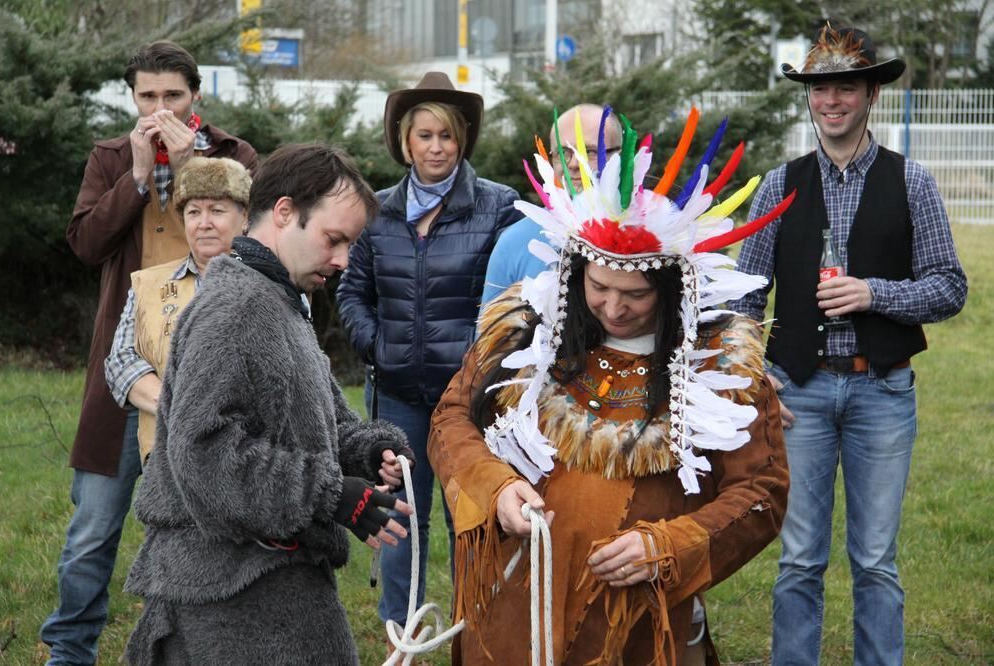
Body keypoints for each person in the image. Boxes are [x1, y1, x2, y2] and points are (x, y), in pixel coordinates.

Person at [428, 110, 791, 664]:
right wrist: (495, 488)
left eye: (636, 296)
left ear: (671, 293)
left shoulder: (720, 366)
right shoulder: (526, 329)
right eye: (598, 288)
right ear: (577, 274)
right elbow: (452, 419)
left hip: (635, 625)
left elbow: (761, 493)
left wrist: (666, 548)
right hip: (510, 612)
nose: (614, 307)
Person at [121, 143, 415, 664]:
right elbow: (204, 455)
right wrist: (332, 495)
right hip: (226, 593)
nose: (344, 260)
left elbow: (318, 421)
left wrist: (369, 454)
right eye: (334, 239)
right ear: (283, 212)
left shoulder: (279, 302)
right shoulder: (234, 309)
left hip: (270, 580)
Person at [731, 24, 968, 666]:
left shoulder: (911, 180)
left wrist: (873, 295)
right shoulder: (780, 184)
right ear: (808, 99)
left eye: (846, 87)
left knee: (876, 562)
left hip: (882, 391)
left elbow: (950, 287)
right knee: (800, 558)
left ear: (870, 96)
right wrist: (756, 373)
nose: (832, 100)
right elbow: (744, 297)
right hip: (799, 393)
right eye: (820, 89)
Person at [43, 41, 257, 665]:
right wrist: (138, 178)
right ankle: (70, 650)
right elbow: (85, 244)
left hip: (217, 358)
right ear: (132, 97)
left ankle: (203, 646)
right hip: (125, 360)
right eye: (147, 96)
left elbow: (260, 243)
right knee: (93, 528)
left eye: (173, 96)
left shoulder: (236, 157)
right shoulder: (111, 158)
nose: (159, 108)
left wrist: (195, 166)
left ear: (195, 96)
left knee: (208, 523)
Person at [336, 71, 522, 631]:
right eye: (424, 135)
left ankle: (478, 629)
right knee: (401, 516)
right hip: (397, 396)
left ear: (461, 140)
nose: (435, 147)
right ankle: (403, 632)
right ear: (404, 140)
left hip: (472, 398)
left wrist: (479, 360)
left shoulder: (498, 207)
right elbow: (351, 290)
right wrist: (379, 346)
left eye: (446, 135)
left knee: (471, 515)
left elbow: (515, 299)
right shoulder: (377, 211)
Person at [104, 156, 251, 464]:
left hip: (246, 457)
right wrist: (178, 407)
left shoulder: (268, 285)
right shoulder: (149, 284)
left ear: (245, 217)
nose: (204, 223)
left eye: (218, 211)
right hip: (165, 456)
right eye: (194, 212)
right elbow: (120, 360)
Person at [481, 103, 622, 304]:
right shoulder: (515, 241)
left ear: (620, 155)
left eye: (590, 151)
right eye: (563, 153)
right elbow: (492, 333)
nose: (573, 163)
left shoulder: (650, 236)